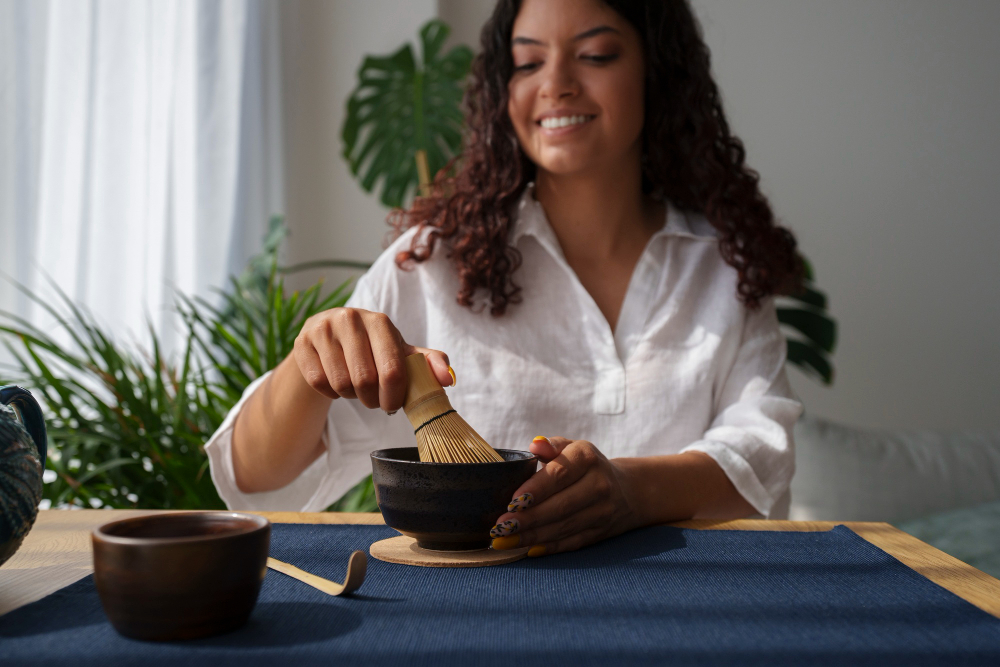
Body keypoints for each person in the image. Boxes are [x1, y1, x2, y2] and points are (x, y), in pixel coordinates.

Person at [205, 0, 804, 557]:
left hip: (677, 610)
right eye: (527, 62)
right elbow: (253, 480)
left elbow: (760, 457)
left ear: (657, 71)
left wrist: (630, 490)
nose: (556, 83)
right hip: (472, 614)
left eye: (596, 55)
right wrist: (308, 368)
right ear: (502, 86)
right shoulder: (433, 263)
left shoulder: (721, 266)